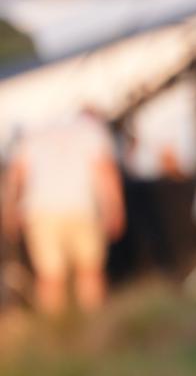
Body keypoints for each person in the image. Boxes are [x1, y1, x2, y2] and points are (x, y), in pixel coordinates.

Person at [0, 109, 125, 314]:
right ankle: (94, 328)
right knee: (90, 271)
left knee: (49, 277)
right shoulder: (92, 131)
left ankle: (55, 334)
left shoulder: (33, 133)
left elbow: (16, 177)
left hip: (41, 211)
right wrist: (115, 209)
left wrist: (10, 211)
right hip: (83, 207)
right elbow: (106, 173)